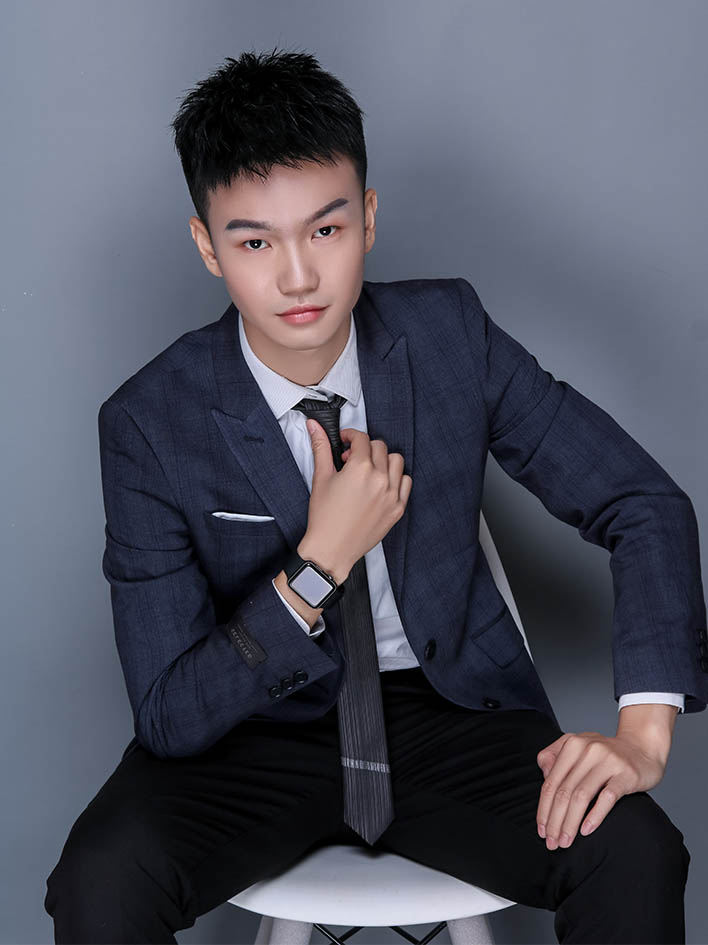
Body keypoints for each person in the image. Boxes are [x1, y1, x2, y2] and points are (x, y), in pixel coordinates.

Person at [44, 47, 707, 944]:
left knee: (633, 850)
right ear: (207, 247)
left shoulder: (448, 334)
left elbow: (641, 500)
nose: (297, 277)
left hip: (450, 715)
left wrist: (642, 736)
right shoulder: (149, 420)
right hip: (254, 731)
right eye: (254, 242)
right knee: (102, 876)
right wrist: (317, 566)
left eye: (325, 230)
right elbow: (167, 711)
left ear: (368, 217)